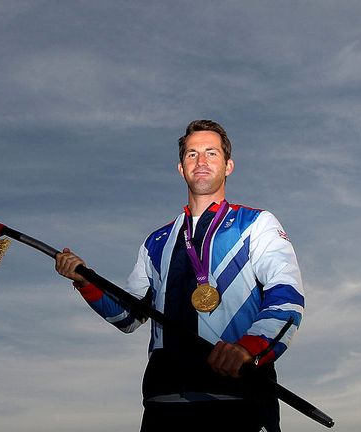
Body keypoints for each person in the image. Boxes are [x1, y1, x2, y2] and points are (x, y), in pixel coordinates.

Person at [55, 119, 304, 432]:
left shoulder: (256, 224)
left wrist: (248, 348)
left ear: (228, 166)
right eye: (192, 154)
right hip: (164, 403)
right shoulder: (156, 242)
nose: (200, 161)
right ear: (181, 168)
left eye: (211, 153)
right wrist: (85, 281)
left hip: (238, 400)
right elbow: (128, 316)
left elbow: (287, 299)